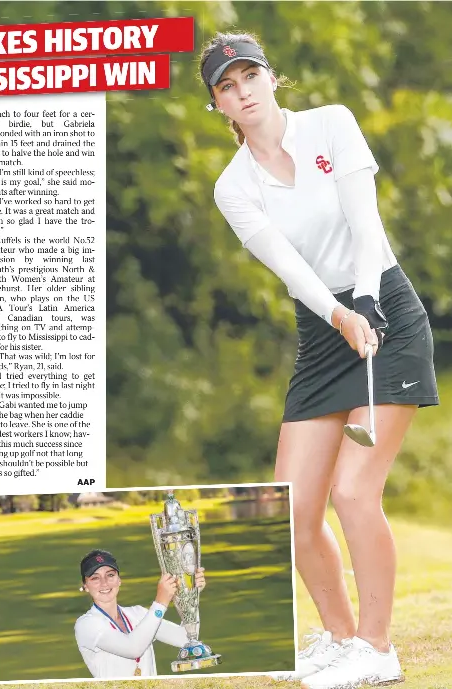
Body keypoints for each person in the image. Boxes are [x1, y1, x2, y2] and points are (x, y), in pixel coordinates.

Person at [200, 32, 438, 689]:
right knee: (292, 510)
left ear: (272, 79)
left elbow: (365, 222)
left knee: (353, 489)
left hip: (384, 307)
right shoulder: (233, 186)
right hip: (321, 324)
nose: (242, 89)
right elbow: (290, 267)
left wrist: (363, 302)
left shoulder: (331, 124)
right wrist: (338, 314)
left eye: (249, 74)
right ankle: (339, 638)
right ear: (217, 105)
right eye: (226, 84)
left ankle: (377, 646)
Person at [74, 549, 206, 678]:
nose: (104, 583)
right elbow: (133, 649)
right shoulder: (86, 624)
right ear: (85, 585)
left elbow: (184, 638)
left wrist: (191, 597)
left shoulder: (138, 613)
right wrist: (161, 602)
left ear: (119, 580)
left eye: (110, 575)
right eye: (95, 578)